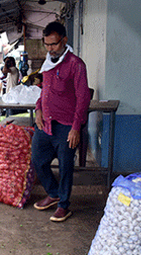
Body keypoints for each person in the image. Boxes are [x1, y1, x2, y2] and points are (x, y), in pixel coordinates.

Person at [31, 21, 91, 222]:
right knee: (38, 160)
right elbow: (44, 92)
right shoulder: (48, 63)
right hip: (45, 124)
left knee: (65, 167)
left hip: (67, 126)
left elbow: (83, 98)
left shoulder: (76, 65)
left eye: (54, 44)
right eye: (47, 45)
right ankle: (53, 193)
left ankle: (64, 204)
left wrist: (76, 128)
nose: (50, 49)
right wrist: (38, 109)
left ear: (64, 40)